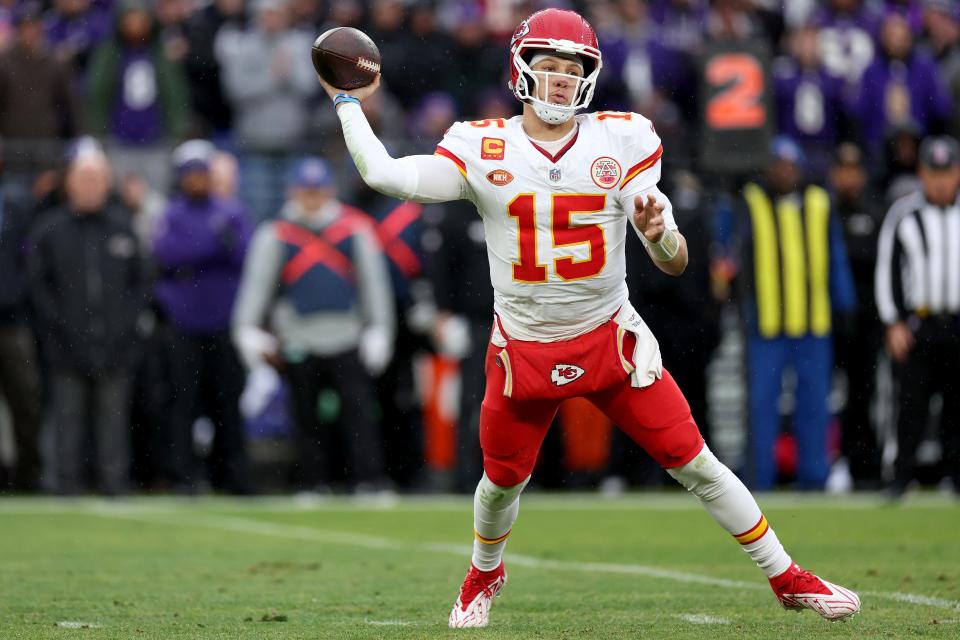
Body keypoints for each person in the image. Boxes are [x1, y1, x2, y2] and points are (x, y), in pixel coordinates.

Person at [318, 7, 861, 628]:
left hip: (610, 340)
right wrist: (347, 104)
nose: (557, 81)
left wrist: (658, 236)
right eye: (545, 66)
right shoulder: (481, 144)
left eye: (570, 69)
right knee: (500, 484)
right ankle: (484, 572)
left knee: (698, 464)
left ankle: (787, 576)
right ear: (520, 70)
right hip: (523, 346)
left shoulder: (621, 138)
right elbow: (384, 174)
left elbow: (676, 260)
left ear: (590, 77)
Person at [232, 157, 395, 494]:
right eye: (306, 192)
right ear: (293, 192)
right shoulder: (276, 232)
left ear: (330, 191)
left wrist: (380, 329)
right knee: (305, 417)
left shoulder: (354, 228)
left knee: (359, 415)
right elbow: (257, 286)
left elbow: (374, 285)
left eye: (317, 191)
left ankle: (368, 479)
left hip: (347, 333)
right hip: (298, 336)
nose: (312, 199)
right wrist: (247, 328)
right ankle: (312, 481)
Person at [736, 137, 856, 491]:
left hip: (812, 323)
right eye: (777, 165)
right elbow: (736, 256)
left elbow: (835, 257)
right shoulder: (750, 201)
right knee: (761, 406)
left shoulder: (819, 203)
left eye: (790, 165)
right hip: (767, 325)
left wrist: (844, 304)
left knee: (814, 405)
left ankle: (814, 478)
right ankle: (760, 481)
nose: (784, 171)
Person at [28, 145, 145, 496]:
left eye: (97, 179)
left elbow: (140, 284)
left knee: (113, 421)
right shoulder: (50, 230)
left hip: (115, 343)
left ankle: (114, 484)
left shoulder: (123, 228)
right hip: (66, 344)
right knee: (67, 419)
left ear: (107, 183)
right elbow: (38, 286)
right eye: (85, 178)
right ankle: (65, 485)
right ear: (70, 184)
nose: (91, 186)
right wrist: (60, 328)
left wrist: (123, 327)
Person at [152, 139, 253, 494]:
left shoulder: (231, 211)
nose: (197, 180)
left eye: (202, 173)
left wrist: (197, 254)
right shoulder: (171, 213)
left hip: (224, 322)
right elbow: (167, 254)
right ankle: (182, 476)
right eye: (191, 175)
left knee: (227, 403)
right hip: (184, 325)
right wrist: (212, 247)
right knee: (183, 403)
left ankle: (233, 476)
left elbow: (243, 255)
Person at [875, 135, 960, 498]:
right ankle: (900, 479)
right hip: (918, 323)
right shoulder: (904, 213)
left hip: (957, 323)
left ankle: (956, 478)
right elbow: (887, 270)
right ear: (922, 173)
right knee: (910, 405)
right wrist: (893, 321)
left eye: (948, 172)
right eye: (934, 172)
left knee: (958, 407)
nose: (941, 181)